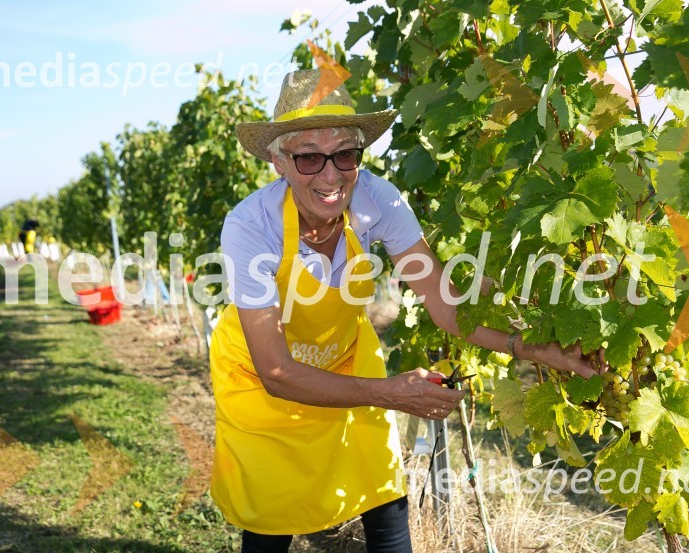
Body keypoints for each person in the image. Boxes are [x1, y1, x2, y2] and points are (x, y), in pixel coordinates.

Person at [210, 69, 596, 553]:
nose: (331, 175)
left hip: (345, 355)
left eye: (345, 155)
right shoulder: (250, 226)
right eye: (309, 158)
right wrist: (390, 393)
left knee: (385, 495)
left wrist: (534, 349)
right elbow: (277, 371)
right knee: (271, 514)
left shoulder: (379, 202)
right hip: (261, 378)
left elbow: (448, 308)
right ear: (277, 162)